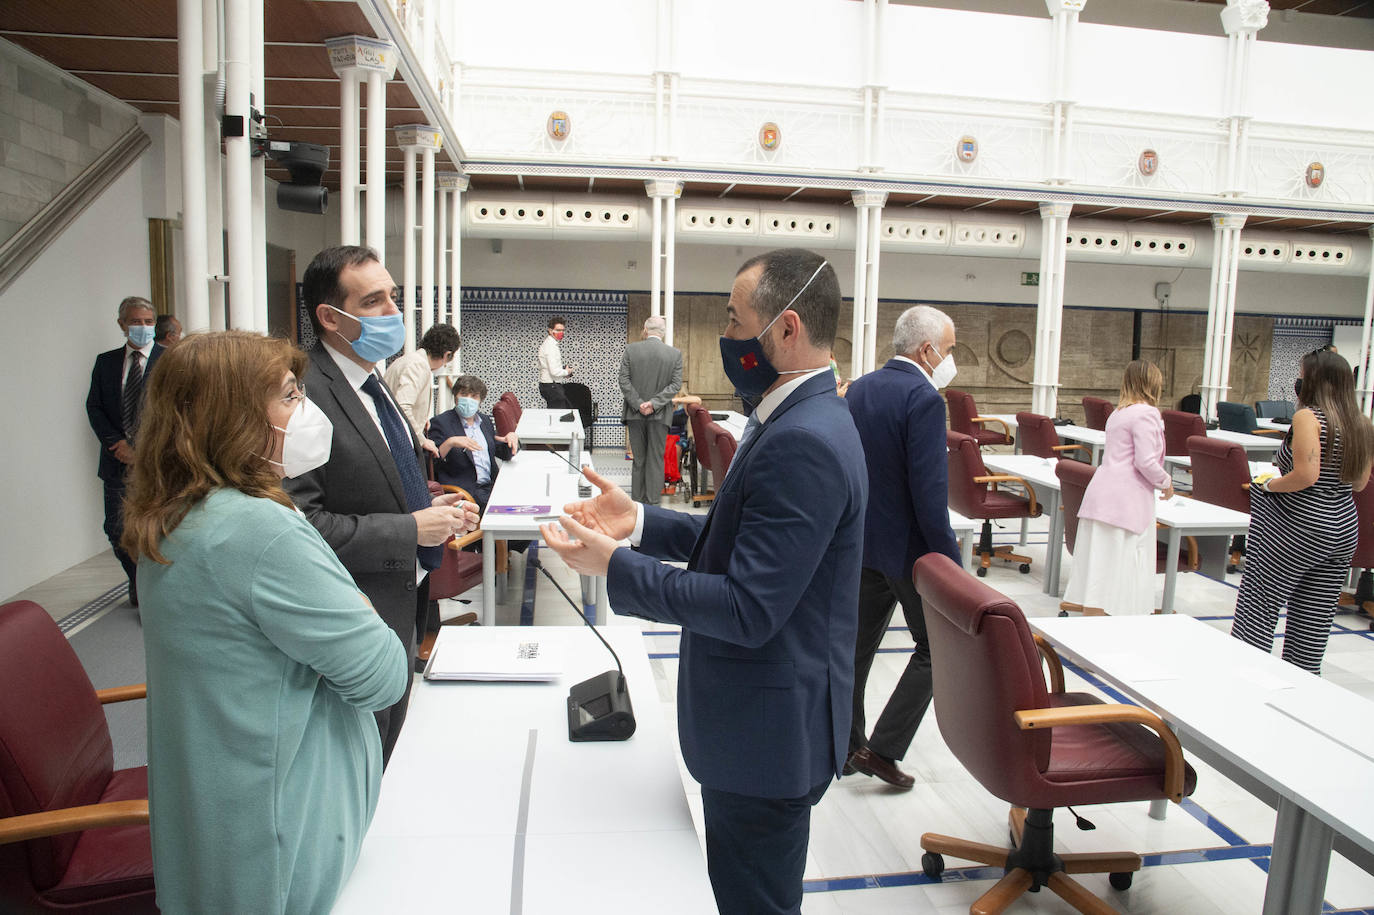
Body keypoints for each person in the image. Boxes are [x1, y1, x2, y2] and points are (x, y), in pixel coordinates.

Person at [540, 248, 867, 915]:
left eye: (734, 318)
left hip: (767, 737)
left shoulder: (804, 437)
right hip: (762, 726)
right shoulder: (794, 415)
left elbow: (749, 605)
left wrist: (616, 566)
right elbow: (741, 545)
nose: (726, 336)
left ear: (786, 329)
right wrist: (638, 523)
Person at [121, 330, 408, 914]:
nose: (305, 411)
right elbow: (381, 676)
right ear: (232, 417)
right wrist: (360, 606)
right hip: (287, 841)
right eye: (288, 396)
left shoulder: (176, 514)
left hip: (225, 821)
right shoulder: (259, 531)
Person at [282, 245, 479, 764]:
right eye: (373, 302)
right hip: (356, 605)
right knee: (359, 758)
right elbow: (302, 527)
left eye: (393, 296)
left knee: (388, 742)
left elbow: (393, 477)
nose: (395, 313)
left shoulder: (374, 380)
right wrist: (410, 529)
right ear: (330, 317)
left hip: (404, 592)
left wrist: (439, 507)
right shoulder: (304, 396)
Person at [843, 305, 963, 790]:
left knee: (853, 650)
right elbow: (929, 495)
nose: (951, 359)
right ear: (927, 349)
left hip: (861, 543)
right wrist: (950, 566)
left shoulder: (860, 389)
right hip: (910, 552)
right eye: (950, 349)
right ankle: (884, 748)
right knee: (939, 650)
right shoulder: (926, 399)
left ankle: (846, 745)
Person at [1233, 349, 1374, 674]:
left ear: (1315, 381)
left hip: (1299, 528)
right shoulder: (1362, 423)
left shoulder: (1308, 417)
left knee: (1259, 605)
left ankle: (1244, 677)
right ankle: (1301, 687)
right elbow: (1360, 483)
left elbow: (1305, 476)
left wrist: (1268, 485)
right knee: (1314, 620)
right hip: (1342, 529)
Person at [1061, 360, 1173, 616]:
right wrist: (1166, 482)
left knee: (1098, 577)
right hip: (1125, 503)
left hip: (1101, 498)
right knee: (1122, 576)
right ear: (1153, 384)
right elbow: (1145, 461)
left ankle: (1092, 637)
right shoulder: (1146, 413)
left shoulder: (1118, 413)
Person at [85, 295, 164, 607]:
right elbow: (94, 407)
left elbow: (174, 412)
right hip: (116, 461)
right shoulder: (105, 363)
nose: (142, 327)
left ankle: (153, 589)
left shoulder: (168, 360)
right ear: (122, 324)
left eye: (147, 322)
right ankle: (136, 580)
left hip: (155, 462)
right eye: (135, 321)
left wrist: (142, 449)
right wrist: (115, 443)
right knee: (116, 529)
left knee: (157, 528)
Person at [427, 373, 518, 509]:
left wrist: (512, 439)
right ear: (455, 396)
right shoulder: (441, 423)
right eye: (463, 394)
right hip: (466, 490)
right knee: (508, 509)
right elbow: (430, 463)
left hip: (492, 485)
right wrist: (450, 442)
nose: (468, 400)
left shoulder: (484, 421)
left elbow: (501, 452)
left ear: (480, 400)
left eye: (474, 396)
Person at [618, 315, 683, 504]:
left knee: (639, 460)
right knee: (656, 459)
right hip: (660, 414)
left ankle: (637, 504)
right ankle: (653, 504)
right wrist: (654, 404)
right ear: (663, 334)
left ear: (645, 330)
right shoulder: (674, 354)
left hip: (634, 413)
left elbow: (624, 380)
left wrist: (639, 403)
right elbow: (675, 385)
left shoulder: (631, 350)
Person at [383, 322, 460, 437]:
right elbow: (403, 407)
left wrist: (421, 419)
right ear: (446, 355)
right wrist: (421, 439)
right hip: (398, 437)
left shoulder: (405, 360)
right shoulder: (418, 365)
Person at [536, 314, 574, 408]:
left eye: (562, 330)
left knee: (556, 414)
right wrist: (567, 371)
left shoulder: (551, 345)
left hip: (550, 385)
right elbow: (554, 371)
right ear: (550, 330)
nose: (561, 332)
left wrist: (563, 372)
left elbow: (553, 369)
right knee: (559, 415)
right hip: (551, 386)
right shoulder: (550, 347)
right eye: (558, 330)